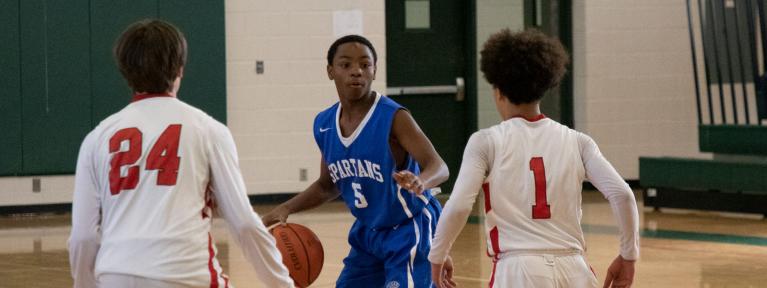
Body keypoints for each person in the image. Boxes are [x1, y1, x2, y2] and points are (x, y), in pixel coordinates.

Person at [68, 19, 294, 288]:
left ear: (125, 72)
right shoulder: (209, 131)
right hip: (185, 274)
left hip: (114, 274)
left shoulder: (96, 139)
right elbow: (244, 223)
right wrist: (283, 284)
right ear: (180, 69)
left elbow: (82, 236)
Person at [428, 29, 640, 288]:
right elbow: (623, 194)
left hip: (518, 270)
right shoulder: (578, 141)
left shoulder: (485, 141)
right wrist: (629, 256)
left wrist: (438, 254)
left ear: (498, 91)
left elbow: (459, 205)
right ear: (544, 87)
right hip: (575, 269)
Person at [261, 34, 450, 288]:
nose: (356, 71)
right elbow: (327, 186)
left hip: (408, 228)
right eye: (346, 64)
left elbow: (439, 166)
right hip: (368, 233)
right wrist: (285, 208)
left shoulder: (393, 117)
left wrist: (421, 181)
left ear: (374, 70)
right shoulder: (324, 124)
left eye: (365, 64)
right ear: (330, 71)